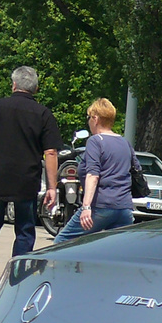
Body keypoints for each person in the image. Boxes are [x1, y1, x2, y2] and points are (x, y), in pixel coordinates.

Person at [0, 66, 63, 290]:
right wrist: (52, 187)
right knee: (24, 227)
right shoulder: (43, 114)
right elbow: (50, 152)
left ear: (13, 85)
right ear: (36, 88)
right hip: (26, 178)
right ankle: (17, 273)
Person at [52, 99, 136, 244]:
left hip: (101, 206)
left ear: (95, 119)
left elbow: (93, 175)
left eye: (89, 117)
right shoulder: (125, 142)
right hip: (124, 208)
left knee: (61, 242)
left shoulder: (96, 141)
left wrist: (86, 207)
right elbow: (136, 170)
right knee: (113, 250)